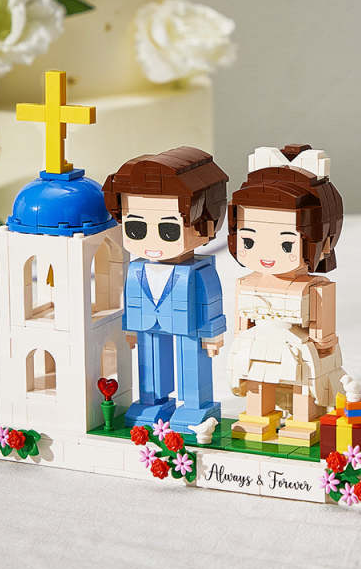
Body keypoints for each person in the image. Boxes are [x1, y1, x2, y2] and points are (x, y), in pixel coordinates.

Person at [103, 147, 228, 433]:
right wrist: (130, 328)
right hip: (147, 325)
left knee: (192, 365)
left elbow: (211, 301)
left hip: (190, 328)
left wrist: (213, 334)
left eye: (169, 230)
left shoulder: (198, 271)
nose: (151, 241)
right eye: (136, 228)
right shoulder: (137, 269)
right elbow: (132, 299)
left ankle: (196, 405)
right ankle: (152, 402)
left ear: (203, 225)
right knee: (149, 364)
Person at [226, 144, 345, 445]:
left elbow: (322, 332)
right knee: (256, 382)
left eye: (286, 244)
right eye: (249, 241)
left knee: (302, 385)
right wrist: (240, 339)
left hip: (297, 347)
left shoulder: (315, 288)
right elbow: (242, 321)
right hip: (255, 345)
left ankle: (304, 423)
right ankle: (256, 419)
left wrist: (323, 346)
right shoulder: (247, 282)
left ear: (323, 242)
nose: (267, 255)